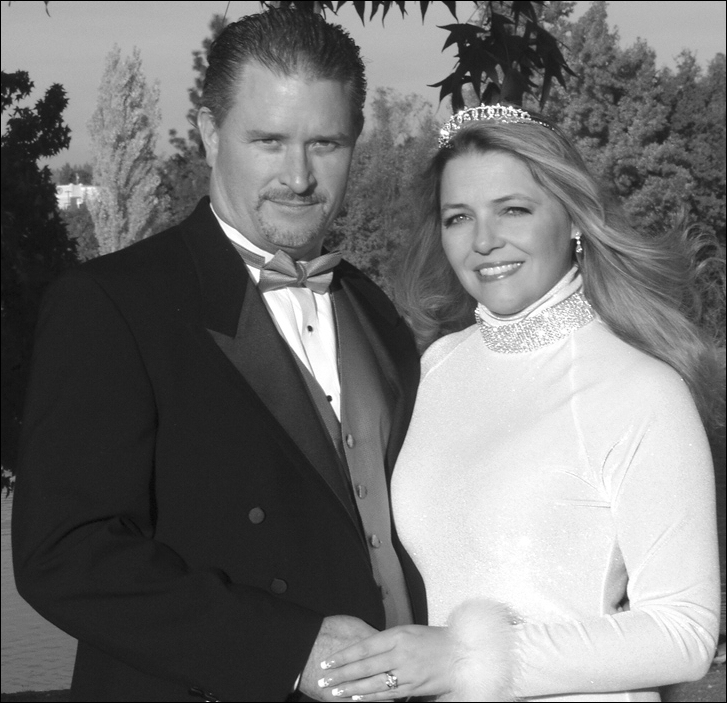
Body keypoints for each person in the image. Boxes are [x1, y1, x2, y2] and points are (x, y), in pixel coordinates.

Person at [11, 9, 426, 702]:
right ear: (209, 134)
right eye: (268, 141)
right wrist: (289, 649)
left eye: (324, 143)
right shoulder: (112, 304)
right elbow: (65, 552)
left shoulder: (375, 310)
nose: (298, 176)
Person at [314, 105, 724, 701]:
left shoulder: (640, 389)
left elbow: (684, 634)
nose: (484, 240)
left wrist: (466, 659)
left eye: (513, 209)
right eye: (459, 217)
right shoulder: (433, 369)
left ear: (574, 218)